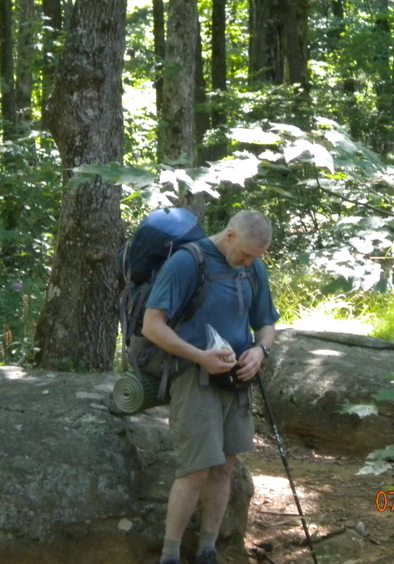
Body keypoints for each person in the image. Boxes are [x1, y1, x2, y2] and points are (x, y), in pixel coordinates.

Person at [142, 210, 280, 564]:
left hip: (236, 379)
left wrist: (259, 352)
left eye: (256, 258)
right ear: (230, 235)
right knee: (195, 469)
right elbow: (152, 326)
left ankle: (208, 549)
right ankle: (170, 555)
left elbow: (266, 324)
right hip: (193, 375)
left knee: (224, 467)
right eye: (246, 254)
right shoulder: (188, 263)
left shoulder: (254, 268)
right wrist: (199, 356)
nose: (248, 262)